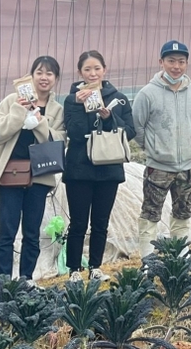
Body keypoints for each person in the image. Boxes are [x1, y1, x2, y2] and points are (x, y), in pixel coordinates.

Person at [0, 56, 66, 281]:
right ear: (31, 76)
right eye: (39, 72)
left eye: (49, 74)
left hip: (39, 176)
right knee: (7, 231)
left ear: (56, 79)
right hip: (11, 173)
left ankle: (26, 278)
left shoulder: (57, 109)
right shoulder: (13, 100)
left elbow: (60, 140)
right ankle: (3, 281)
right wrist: (18, 113)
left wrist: (40, 123)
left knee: (32, 233)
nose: (44, 78)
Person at [63, 51, 135, 281]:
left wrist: (108, 118)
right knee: (78, 222)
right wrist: (78, 105)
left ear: (105, 69)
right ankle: (74, 269)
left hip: (109, 169)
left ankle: (95, 266)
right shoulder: (71, 99)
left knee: (101, 222)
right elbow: (73, 134)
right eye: (87, 69)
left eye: (96, 68)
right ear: (79, 73)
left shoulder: (119, 98)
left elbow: (130, 132)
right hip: (79, 169)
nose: (92, 73)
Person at [133, 41, 191, 258]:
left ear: (187, 64)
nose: (176, 66)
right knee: (150, 212)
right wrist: (154, 148)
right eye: (171, 61)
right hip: (158, 167)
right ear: (161, 62)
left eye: (181, 62)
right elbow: (138, 127)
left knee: (183, 211)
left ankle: (179, 252)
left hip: (187, 165)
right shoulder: (147, 93)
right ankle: (147, 257)